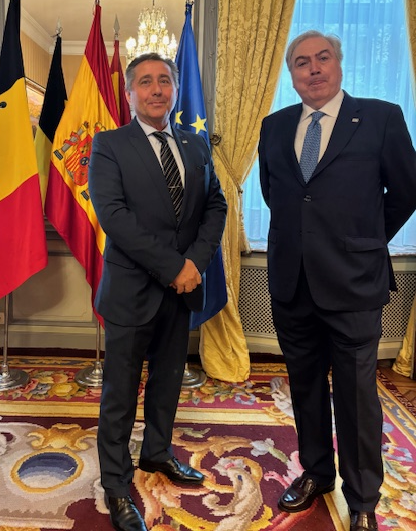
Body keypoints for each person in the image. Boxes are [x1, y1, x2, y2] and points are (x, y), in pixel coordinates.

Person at [258, 30, 416, 531]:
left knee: (356, 395)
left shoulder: (381, 118)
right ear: (292, 75)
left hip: (354, 284)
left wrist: (364, 239)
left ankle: (363, 498)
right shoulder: (274, 127)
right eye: (302, 62)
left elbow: (406, 190)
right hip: (292, 283)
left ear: (338, 63)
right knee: (304, 386)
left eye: (322, 58)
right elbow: (275, 195)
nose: (314, 69)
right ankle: (316, 473)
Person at [88, 52, 227, 531]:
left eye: (164, 80)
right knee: (120, 395)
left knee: (167, 383)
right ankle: (115, 484)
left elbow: (216, 206)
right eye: (145, 82)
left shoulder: (195, 143)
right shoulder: (109, 145)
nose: (156, 89)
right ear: (130, 93)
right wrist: (174, 267)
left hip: (181, 291)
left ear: (174, 89)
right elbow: (114, 217)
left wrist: (195, 265)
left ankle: (158, 453)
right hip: (132, 292)